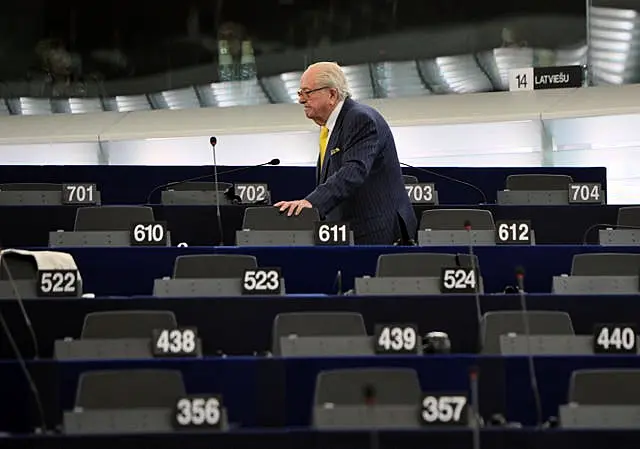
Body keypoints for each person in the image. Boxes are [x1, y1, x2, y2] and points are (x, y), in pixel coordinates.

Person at [275, 61, 417, 245]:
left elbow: (354, 170)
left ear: (332, 94)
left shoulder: (360, 119)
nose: (301, 99)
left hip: (378, 231)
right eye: (300, 93)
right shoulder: (331, 125)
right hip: (351, 232)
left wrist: (312, 202)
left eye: (307, 93)